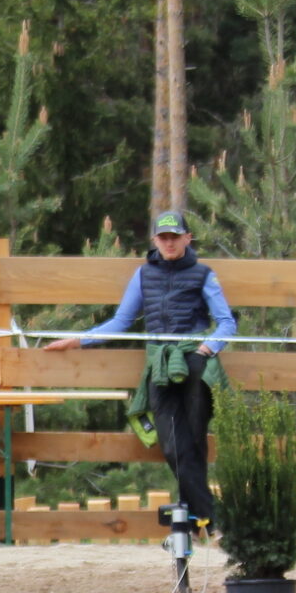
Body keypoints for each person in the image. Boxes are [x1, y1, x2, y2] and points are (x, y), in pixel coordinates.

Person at [39, 209, 237, 524]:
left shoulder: (204, 274)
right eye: (164, 237)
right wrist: (79, 340)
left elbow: (227, 323)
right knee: (171, 444)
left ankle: (197, 520)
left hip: (195, 362)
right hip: (159, 364)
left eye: (175, 237)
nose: (169, 243)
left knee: (195, 441)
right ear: (155, 240)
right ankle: (211, 518)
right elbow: (121, 322)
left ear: (188, 238)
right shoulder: (143, 275)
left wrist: (207, 348)